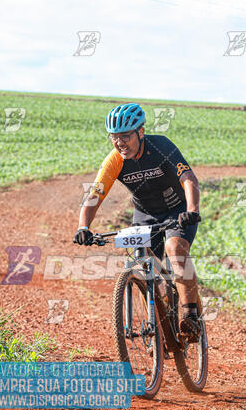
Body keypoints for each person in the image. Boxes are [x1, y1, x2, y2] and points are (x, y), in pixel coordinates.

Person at [73, 103, 201, 341]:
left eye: (125, 136)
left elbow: (189, 179)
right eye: (114, 137)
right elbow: (94, 195)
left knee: (175, 249)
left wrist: (192, 210)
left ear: (140, 133)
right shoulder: (115, 160)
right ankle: (158, 325)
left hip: (177, 210)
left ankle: (190, 314)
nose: (119, 142)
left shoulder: (160, 146)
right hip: (145, 214)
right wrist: (84, 227)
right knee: (143, 266)